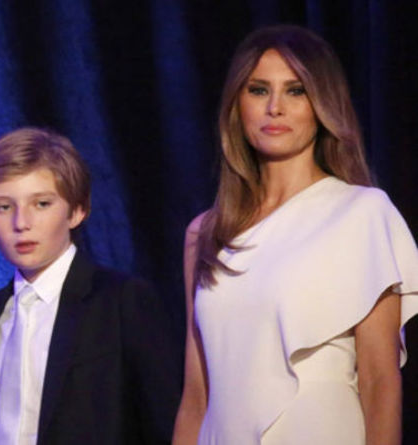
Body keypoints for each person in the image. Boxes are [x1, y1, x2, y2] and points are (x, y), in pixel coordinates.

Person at [172, 24, 418, 445]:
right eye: (258, 90)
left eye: (296, 91)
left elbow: (380, 382)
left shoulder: (361, 213)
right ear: (237, 105)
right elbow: (197, 395)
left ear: (322, 104)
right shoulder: (206, 233)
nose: (275, 108)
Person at [0, 127, 178, 445]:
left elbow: (164, 422)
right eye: (3, 207)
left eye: (41, 204)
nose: (21, 223)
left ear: (77, 211)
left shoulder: (122, 302)